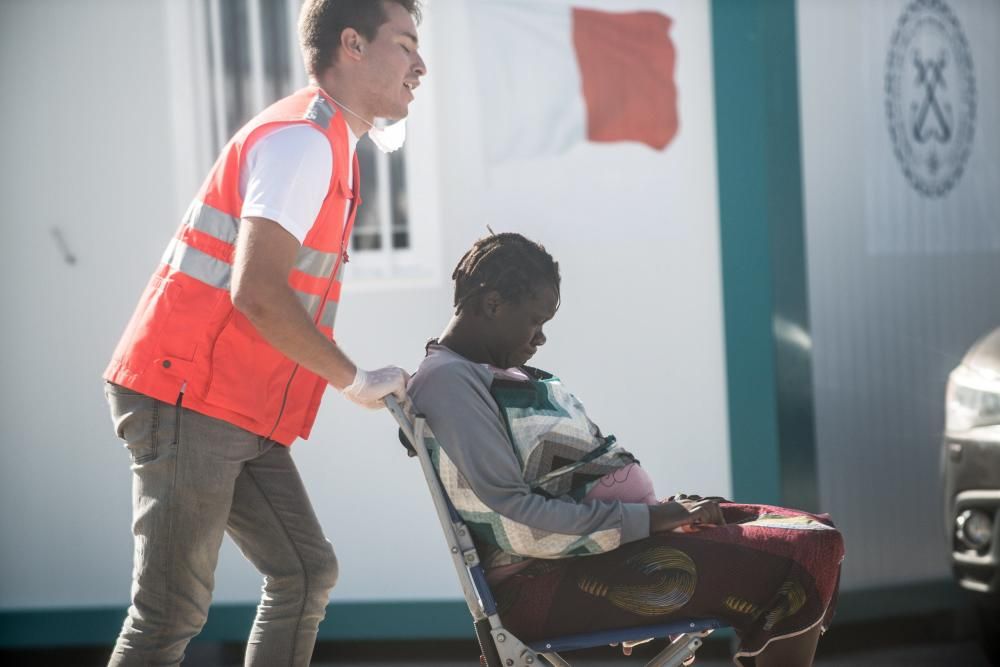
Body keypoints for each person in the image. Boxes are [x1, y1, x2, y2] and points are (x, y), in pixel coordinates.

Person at [101, 1, 426, 665]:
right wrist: (355, 380)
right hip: (189, 395)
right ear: (352, 45)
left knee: (305, 571)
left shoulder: (330, 143)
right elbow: (257, 292)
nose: (420, 66)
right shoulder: (303, 143)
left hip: (231, 405)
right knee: (169, 614)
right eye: (406, 44)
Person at [408, 233, 845, 667]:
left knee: (811, 530)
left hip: (599, 555)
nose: (540, 338)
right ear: (493, 304)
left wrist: (659, 517)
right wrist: (653, 519)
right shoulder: (451, 382)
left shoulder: (475, 373)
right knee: (805, 551)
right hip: (548, 587)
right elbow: (518, 528)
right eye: (534, 321)